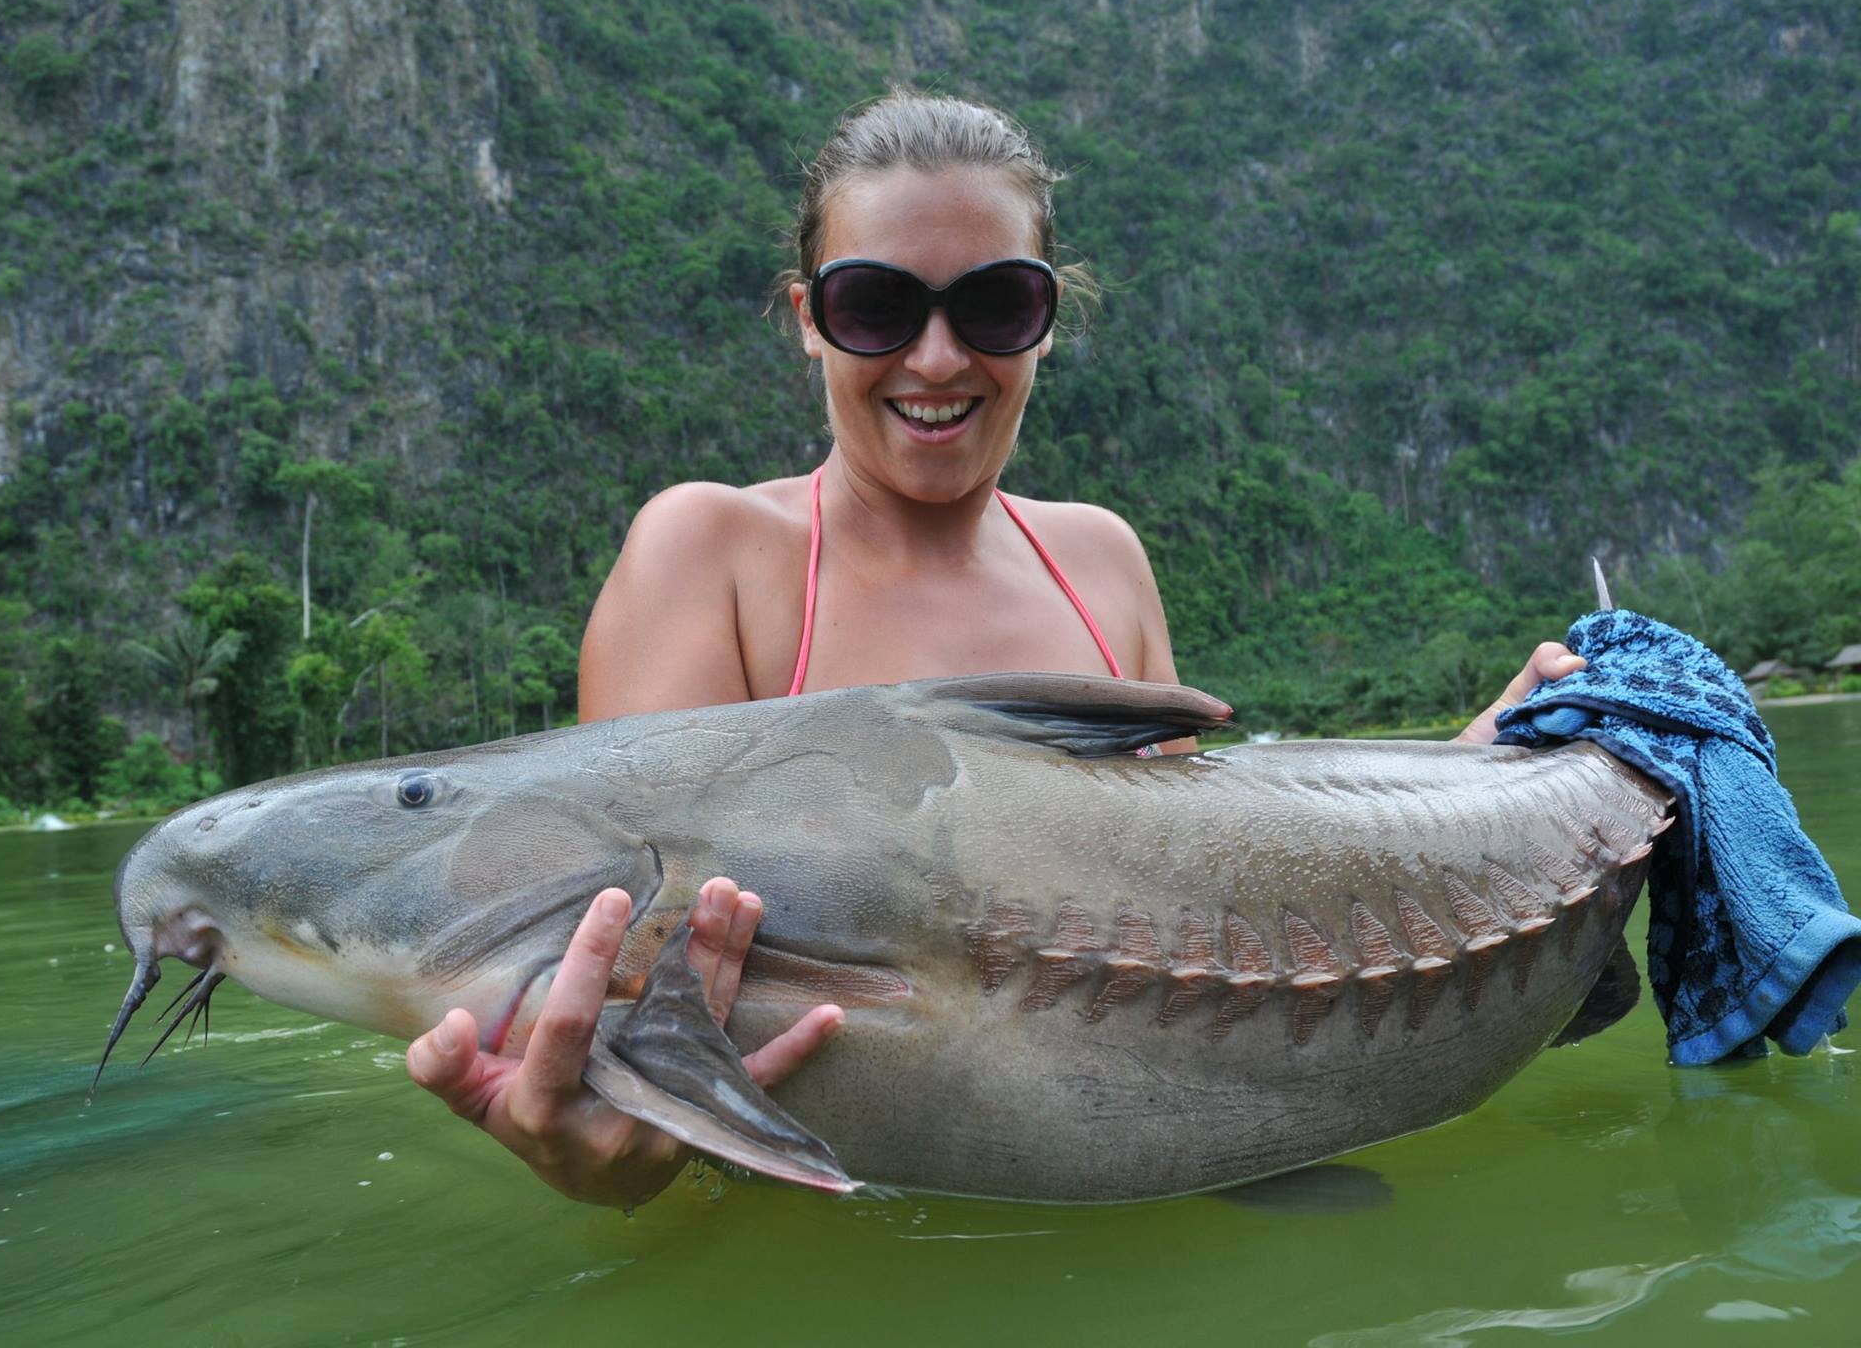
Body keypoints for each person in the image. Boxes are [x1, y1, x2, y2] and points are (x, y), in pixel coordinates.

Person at [403, 91, 1584, 1208]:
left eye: (994, 306)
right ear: (809, 319)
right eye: (876, 305)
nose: (934, 359)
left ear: (1047, 323)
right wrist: (607, 1162)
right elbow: (634, 1038)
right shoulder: (708, 553)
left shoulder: (1103, 561)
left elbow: (1208, 897)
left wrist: (1471, 779)